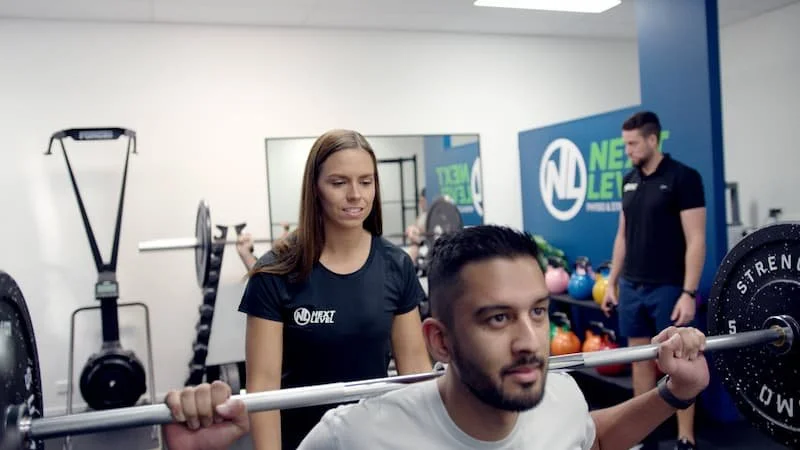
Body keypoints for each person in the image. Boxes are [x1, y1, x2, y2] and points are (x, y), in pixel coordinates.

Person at [162, 225, 711, 450]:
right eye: (497, 319)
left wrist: (672, 394)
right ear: (439, 341)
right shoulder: (359, 434)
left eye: (538, 313)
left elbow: (587, 437)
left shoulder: (561, 395)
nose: (529, 342)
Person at [237, 129, 433, 449]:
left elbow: (415, 378)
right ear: (315, 188)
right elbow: (263, 389)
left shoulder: (396, 266)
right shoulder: (275, 272)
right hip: (301, 441)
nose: (356, 194)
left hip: (375, 439)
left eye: (366, 182)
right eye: (339, 183)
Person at [601, 111, 707, 450]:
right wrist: (612, 281)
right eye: (625, 144)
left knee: (681, 363)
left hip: (668, 286)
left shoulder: (684, 178)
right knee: (640, 360)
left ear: (652, 139)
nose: (628, 150)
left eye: (632, 143)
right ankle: (641, 436)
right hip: (632, 285)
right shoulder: (628, 179)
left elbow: (696, 240)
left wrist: (688, 292)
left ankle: (685, 438)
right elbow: (622, 236)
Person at [404, 187, 427, 264]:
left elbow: (422, 229)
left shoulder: (431, 215)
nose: (420, 203)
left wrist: (417, 231)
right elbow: (415, 227)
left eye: (422, 201)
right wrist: (411, 229)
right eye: (420, 201)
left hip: (424, 243)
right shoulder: (421, 216)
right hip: (417, 243)